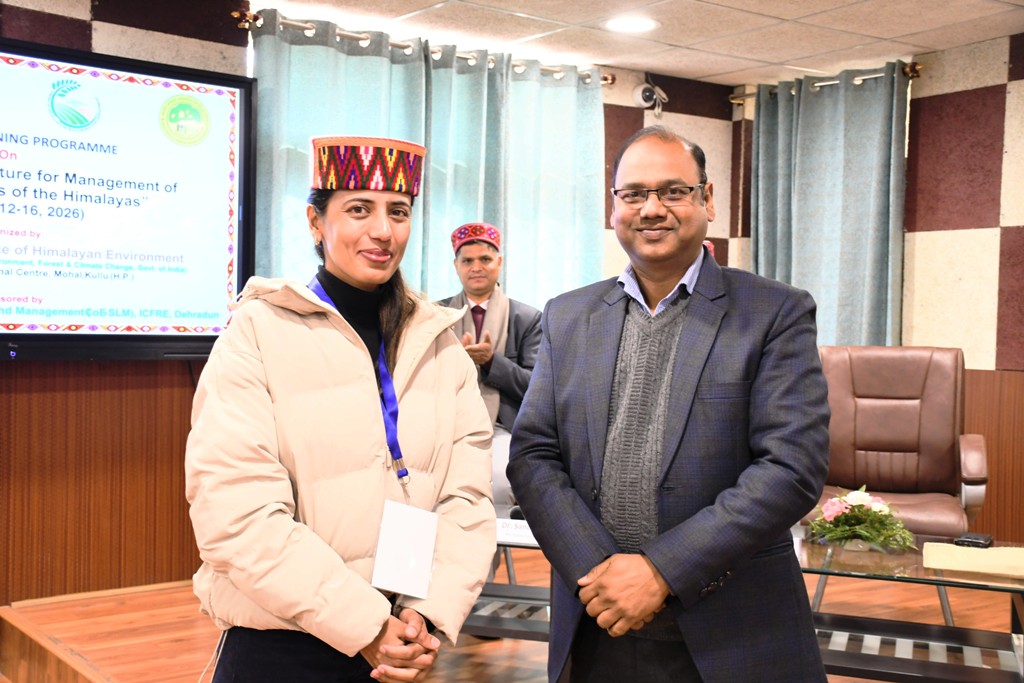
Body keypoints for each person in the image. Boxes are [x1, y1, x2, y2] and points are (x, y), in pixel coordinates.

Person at [507, 125, 830, 682]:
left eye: (674, 191)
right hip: (597, 621)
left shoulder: (774, 312)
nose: (652, 208)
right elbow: (533, 453)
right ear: (614, 207)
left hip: (733, 632)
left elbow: (791, 468)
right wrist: (599, 570)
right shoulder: (567, 315)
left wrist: (660, 571)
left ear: (708, 200)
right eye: (634, 194)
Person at [185, 136, 497, 683]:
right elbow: (235, 511)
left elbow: (466, 498)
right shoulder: (258, 332)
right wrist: (366, 626)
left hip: (403, 643)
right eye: (358, 209)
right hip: (281, 646)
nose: (382, 231)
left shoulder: (439, 344)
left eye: (398, 212)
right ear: (315, 222)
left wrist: (425, 612)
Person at [437, 223, 541, 511]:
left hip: (500, 427)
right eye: (467, 261)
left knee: (498, 485)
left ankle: (488, 542)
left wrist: (492, 361)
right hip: (444, 422)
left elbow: (535, 388)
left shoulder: (527, 318)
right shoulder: (437, 314)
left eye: (485, 259)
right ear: (456, 266)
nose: (476, 268)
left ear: (499, 262)